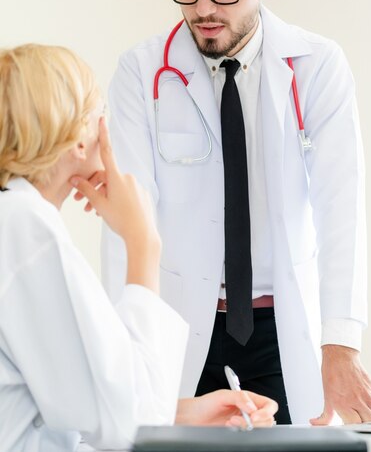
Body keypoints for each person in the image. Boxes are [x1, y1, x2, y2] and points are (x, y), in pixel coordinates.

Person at [101, 0, 371, 426]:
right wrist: (124, 347)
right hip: (183, 326)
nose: (205, 8)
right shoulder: (142, 72)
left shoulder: (317, 66)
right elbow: (126, 216)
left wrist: (341, 342)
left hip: (281, 328)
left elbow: (340, 206)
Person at [0, 44, 277, 452]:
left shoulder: (17, 221)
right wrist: (143, 244)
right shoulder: (26, 229)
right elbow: (127, 424)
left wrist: (186, 413)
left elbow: (78, 402)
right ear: (79, 140)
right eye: (101, 117)